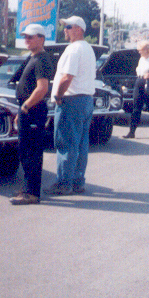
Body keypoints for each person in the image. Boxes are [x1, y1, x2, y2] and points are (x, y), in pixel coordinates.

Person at [51, 15, 97, 195]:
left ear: (79, 29)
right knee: (81, 144)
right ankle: (78, 181)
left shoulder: (74, 49)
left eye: (68, 26)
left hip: (71, 100)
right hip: (86, 100)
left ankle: (64, 183)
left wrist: (58, 95)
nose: (65, 30)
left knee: (66, 143)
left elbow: (67, 77)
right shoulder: (88, 49)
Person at [10, 24, 54, 205]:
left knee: (31, 152)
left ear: (41, 39)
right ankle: (28, 189)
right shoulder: (32, 58)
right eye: (25, 37)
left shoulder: (42, 59)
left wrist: (26, 106)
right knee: (25, 150)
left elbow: (42, 88)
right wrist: (22, 110)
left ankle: (32, 193)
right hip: (27, 110)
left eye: (30, 37)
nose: (26, 40)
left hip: (33, 111)